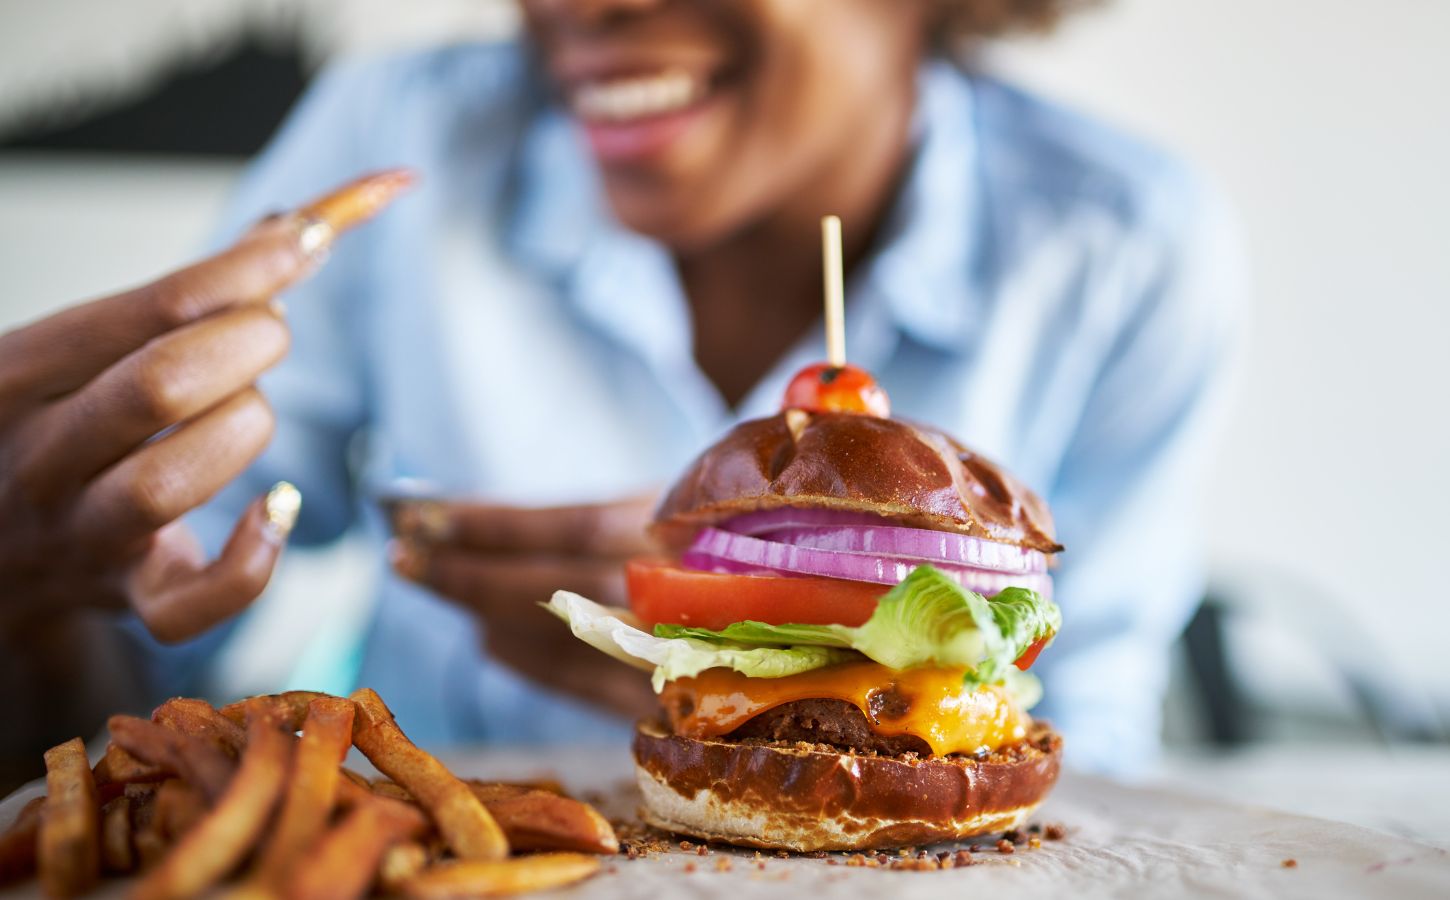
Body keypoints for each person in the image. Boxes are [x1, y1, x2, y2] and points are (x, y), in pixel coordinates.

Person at [0, 0, 1244, 774]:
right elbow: (136, 678)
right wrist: (36, 587)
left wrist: (783, 660)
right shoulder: (400, 144)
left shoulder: (1116, 242)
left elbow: (1094, 744)